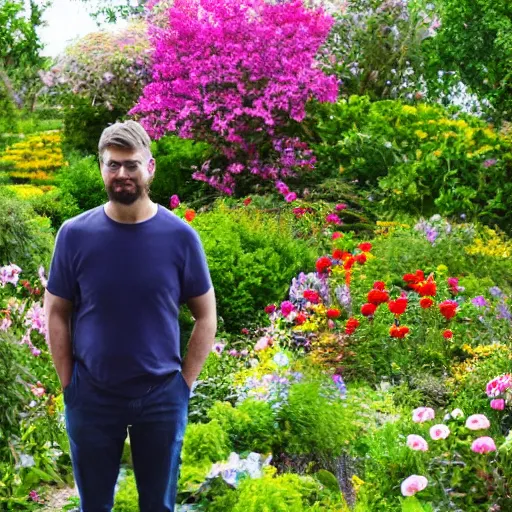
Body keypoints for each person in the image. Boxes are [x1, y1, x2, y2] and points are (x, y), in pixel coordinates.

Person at [44, 120, 217, 512]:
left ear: (150, 168)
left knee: (157, 506)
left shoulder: (180, 237)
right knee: (94, 507)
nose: (122, 174)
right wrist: (69, 381)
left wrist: (182, 386)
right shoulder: (74, 235)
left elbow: (206, 315)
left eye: (131, 165)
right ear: (102, 168)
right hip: (91, 396)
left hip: (160, 397)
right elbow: (55, 310)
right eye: (113, 165)